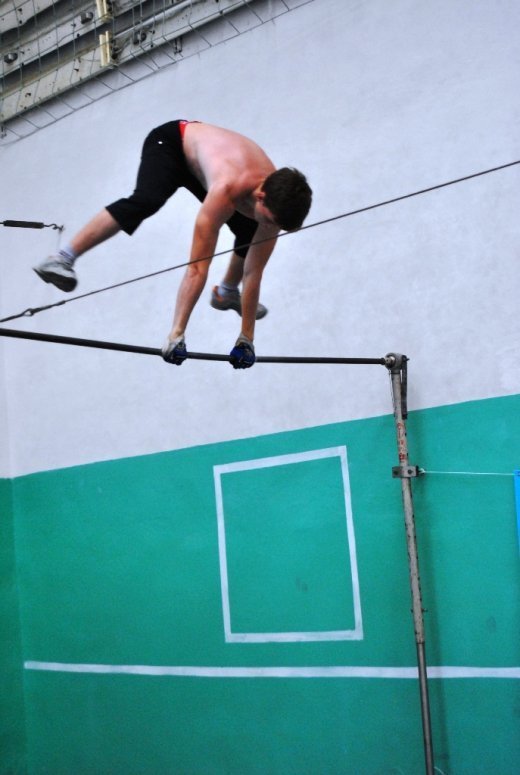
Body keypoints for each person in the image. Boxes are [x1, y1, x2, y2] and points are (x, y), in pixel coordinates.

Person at [33, 120, 312, 368]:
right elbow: (196, 268)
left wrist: (246, 339)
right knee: (146, 200)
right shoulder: (227, 189)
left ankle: (226, 292)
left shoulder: (275, 205)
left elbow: (253, 273)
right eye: (272, 221)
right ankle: (62, 257)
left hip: (206, 167)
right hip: (172, 143)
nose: (272, 228)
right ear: (261, 196)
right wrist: (177, 334)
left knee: (251, 229)